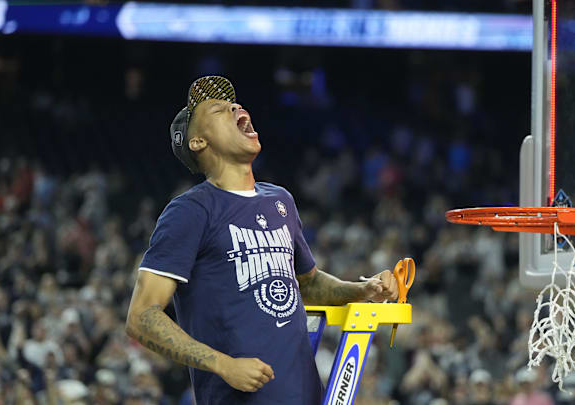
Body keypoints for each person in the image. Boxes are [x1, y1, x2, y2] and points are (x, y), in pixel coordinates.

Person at [125, 76, 399, 405]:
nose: (235, 107)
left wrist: (362, 290)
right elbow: (141, 316)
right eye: (217, 110)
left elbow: (307, 285)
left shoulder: (279, 200)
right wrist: (222, 364)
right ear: (198, 142)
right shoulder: (190, 210)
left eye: (234, 104)